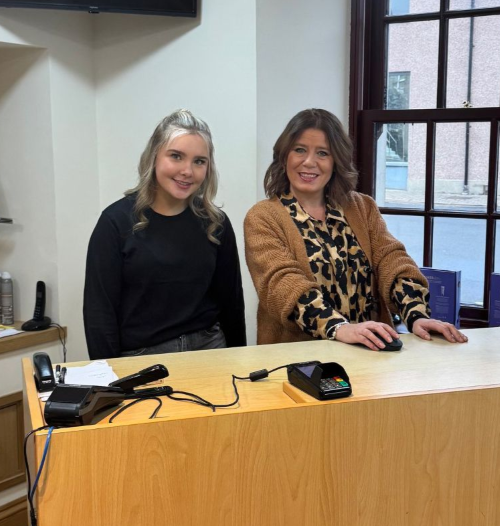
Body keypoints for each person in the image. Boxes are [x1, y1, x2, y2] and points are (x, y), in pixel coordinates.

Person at [244, 108, 467, 350]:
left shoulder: (362, 207)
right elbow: (282, 285)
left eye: (323, 153)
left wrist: (415, 314)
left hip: (373, 354)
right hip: (299, 362)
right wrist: (339, 328)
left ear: (336, 160)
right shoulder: (263, 217)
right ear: (284, 155)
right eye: (299, 150)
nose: (309, 162)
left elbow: (392, 261)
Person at [84, 109, 246, 360]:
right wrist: (109, 379)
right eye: (176, 156)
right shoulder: (115, 222)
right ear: (154, 157)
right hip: (141, 358)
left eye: (199, 161)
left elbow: (232, 302)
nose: (187, 171)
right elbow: (99, 311)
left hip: (210, 352)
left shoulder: (216, 223)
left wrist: (239, 364)